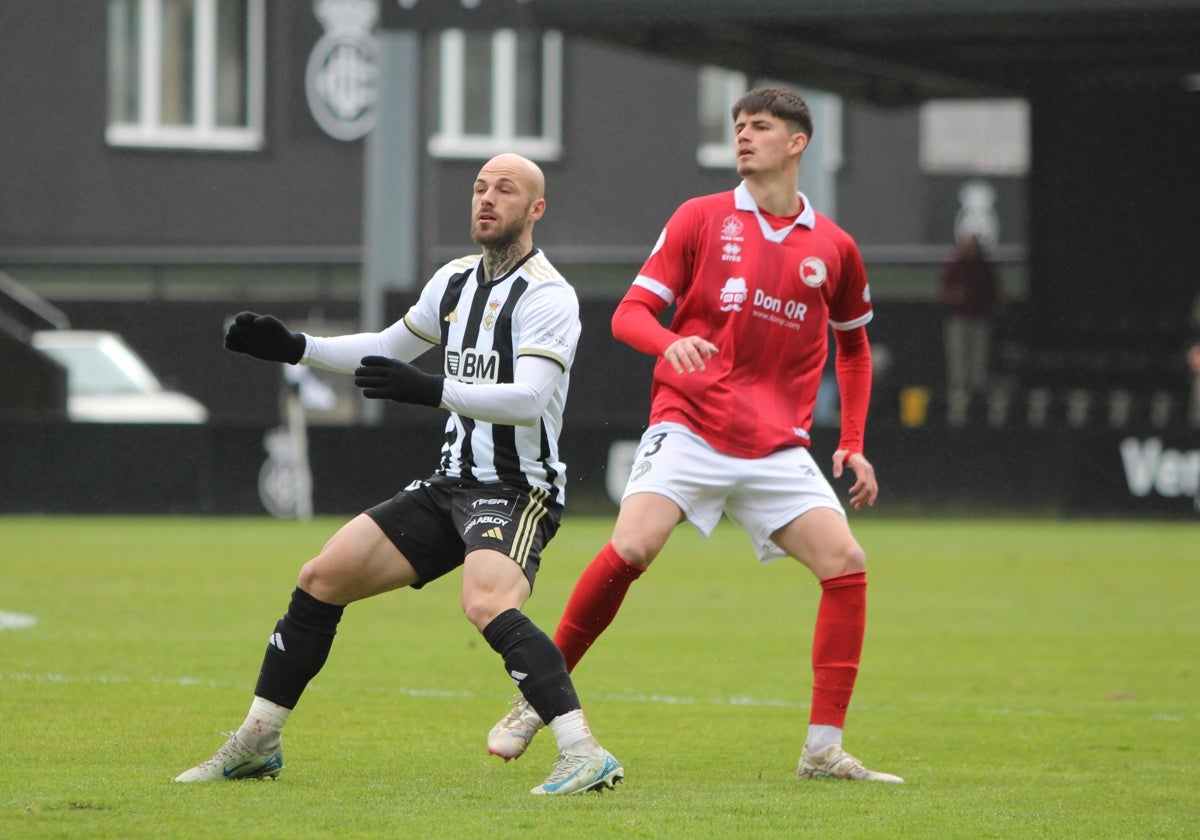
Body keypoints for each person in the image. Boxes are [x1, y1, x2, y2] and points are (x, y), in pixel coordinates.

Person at [486, 88, 902, 783]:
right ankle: (535, 703)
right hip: (691, 426)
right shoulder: (701, 219)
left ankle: (823, 749)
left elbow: (854, 349)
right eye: (737, 126)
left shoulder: (834, 248)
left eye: (759, 127)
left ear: (797, 143)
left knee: (846, 564)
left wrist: (853, 439)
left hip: (777, 445)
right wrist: (670, 342)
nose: (743, 137)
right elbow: (630, 315)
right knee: (634, 545)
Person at [174, 153, 623, 797]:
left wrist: (431, 389)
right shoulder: (455, 281)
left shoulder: (549, 295)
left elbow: (527, 398)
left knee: (487, 601)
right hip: (449, 484)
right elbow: (388, 346)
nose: (486, 199)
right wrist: (297, 347)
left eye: (506, 190)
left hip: (515, 486)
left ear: (536, 210)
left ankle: (584, 752)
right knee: (322, 577)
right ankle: (257, 742)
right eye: (478, 188)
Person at [940, 233, 1003, 399]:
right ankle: (958, 394)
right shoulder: (957, 264)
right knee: (959, 358)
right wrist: (955, 295)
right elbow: (945, 286)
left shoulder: (984, 266)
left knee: (979, 359)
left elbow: (995, 289)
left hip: (980, 318)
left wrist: (994, 304)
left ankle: (978, 394)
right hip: (959, 319)